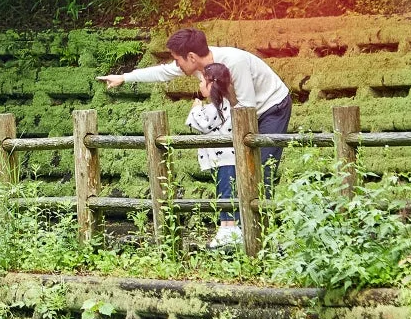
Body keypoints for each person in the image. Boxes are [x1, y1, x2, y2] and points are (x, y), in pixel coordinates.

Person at [98, 26, 295, 203]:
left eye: (177, 60)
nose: (177, 65)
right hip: (243, 113)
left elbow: (247, 106)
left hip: (272, 106)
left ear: (191, 57)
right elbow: (163, 72)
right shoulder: (200, 67)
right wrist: (124, 77)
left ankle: (260, 230)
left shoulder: (234, 62)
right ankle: (240, 229)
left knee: (260, 170)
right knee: (243, 168)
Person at [184, 62, 241, 248]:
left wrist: (196, 108)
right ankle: (226, 228)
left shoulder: (221, 106)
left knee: (227, 192)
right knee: (223, 191)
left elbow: (203, 123)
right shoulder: (223, 105)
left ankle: (230, 229)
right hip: (221, 158)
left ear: (211, 84)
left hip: (226, 157)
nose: (200, 86)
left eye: (202, 82)